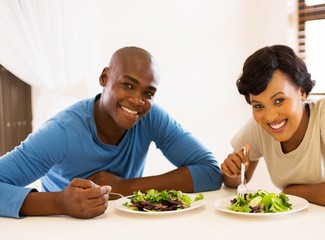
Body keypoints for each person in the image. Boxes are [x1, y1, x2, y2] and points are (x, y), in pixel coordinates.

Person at [0, 46, 222, 219]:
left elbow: (210, 172)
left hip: (123, 233)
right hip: (63, 232)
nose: (137, 100)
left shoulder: (151, 117)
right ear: (105, 78)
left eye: (148, 93)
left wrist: (127, 187)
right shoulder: (61, 132)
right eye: (128, 85)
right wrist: (59, 202)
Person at [221, 45, 325, 210]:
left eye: (279, 100)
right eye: (259, 106)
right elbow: (236, 181)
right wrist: (232, 171)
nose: (270, 116)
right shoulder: (260, 126)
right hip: (299, 226)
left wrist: (289, 191)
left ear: (302, 91)